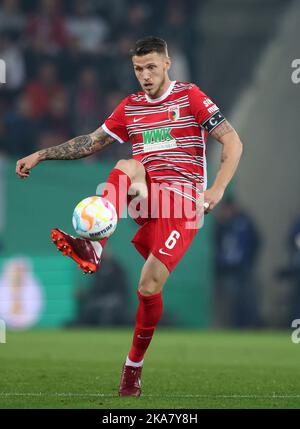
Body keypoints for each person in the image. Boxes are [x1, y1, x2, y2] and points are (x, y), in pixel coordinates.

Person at [15, 36, 243, 397]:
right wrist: (41, 155)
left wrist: (215, 190)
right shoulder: (131, 106)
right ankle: (94, 248)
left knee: (148, 286)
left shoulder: (190, 96)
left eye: (152, 66)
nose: (145, 75)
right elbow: (91, 142)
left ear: (167, 64)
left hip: (182, 206)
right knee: (128, 164)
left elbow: (232, 141)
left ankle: (132, 369)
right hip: (147, 198)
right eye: (138, 69)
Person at [214, 197, 261, 327]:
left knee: (246, 298)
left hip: (242, 267)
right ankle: (229, 325)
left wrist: (250, 260)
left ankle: (245, 325)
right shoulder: (221, 224)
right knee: (229, 299)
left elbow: (256, 241)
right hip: (226, 269)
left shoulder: (245, 221)